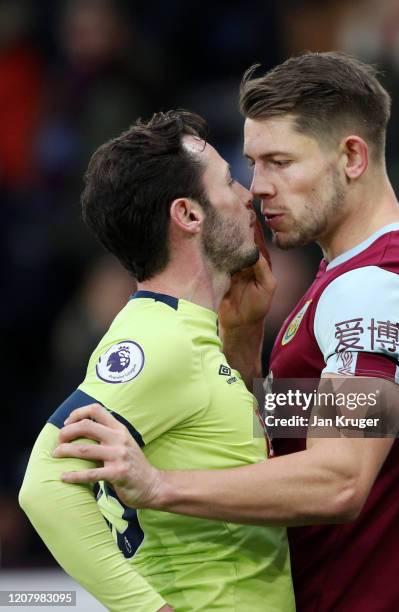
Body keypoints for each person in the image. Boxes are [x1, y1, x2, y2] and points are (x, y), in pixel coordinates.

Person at [51, 53, 399, 612]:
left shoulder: (376, 288)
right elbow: (300, 437)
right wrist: (246, 343)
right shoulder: (359, 279)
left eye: (280, 162)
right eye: (251, 163)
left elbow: (339, 479)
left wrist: (159, 486)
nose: (257, 188)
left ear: (352, 157)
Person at [19, 110, 295, 612]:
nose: (246, 195)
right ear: (188, 215)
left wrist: (246, 334)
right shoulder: (157, 339)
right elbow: (43, 485)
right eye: (230, 181)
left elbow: (242, 443)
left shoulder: (189, 336)